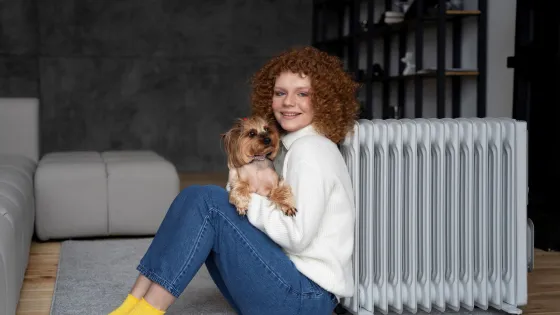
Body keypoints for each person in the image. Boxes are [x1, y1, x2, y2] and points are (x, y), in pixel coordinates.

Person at [108, 46, 360, 315]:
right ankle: (131, 304)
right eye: (280, 93)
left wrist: (245, 197)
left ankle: (146, 310)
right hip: (290, 283)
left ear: (322, 100)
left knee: (208, 202)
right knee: (194, 196)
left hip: (305, 297)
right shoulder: (291, 147)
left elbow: (296, 237)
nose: (288, 102)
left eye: (302, 94)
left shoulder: (311, 151)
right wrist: (240, 188)